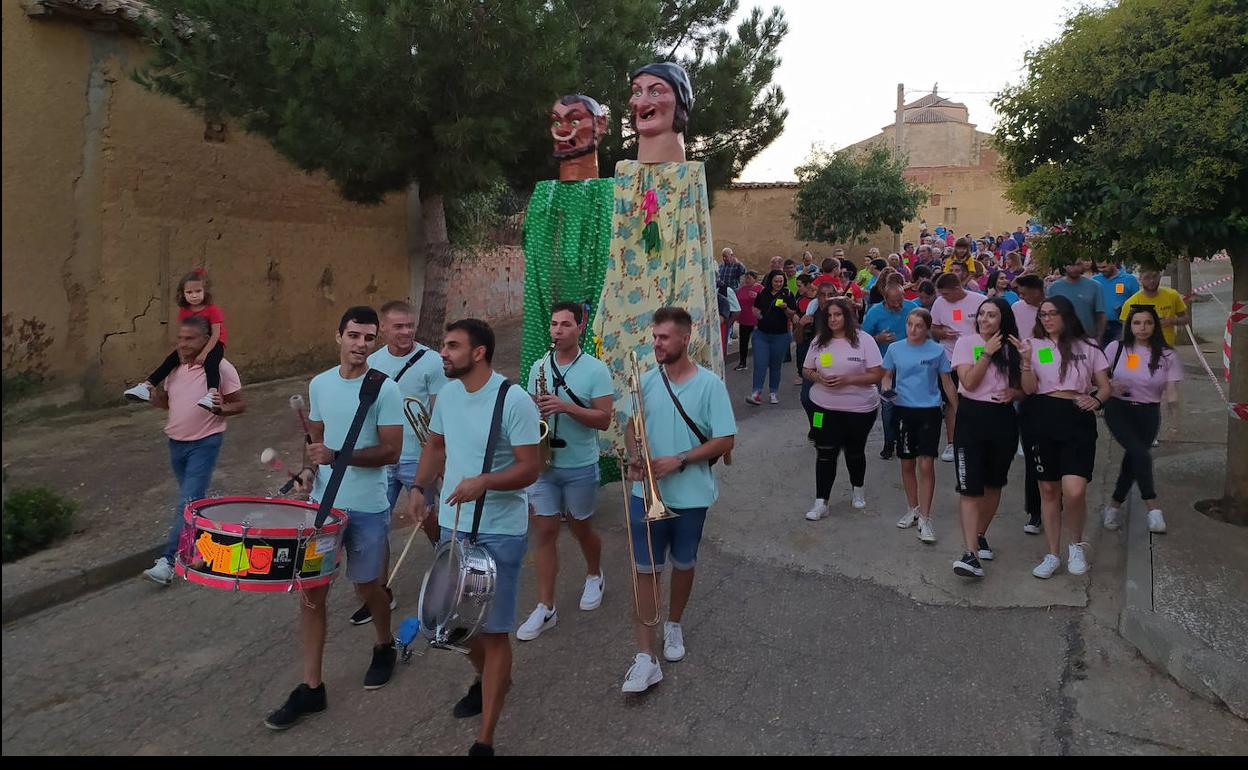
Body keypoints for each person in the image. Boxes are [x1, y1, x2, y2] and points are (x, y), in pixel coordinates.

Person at [266, 306, 404, 731]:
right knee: (312, 595)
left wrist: (335, 456)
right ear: (338, 336)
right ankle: (312, 688)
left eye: (368, 337)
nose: (361, 344)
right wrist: (309, 472)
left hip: (367, 505)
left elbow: (391, 452)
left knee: (367, 587)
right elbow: (318, 444)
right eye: (354, 335)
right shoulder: (320, 384)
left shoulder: (385, 389)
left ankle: (384, 644)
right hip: (325, 509)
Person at [411, 318, 543, 756]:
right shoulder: (448, 395)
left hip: (501, 530)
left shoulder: (514, 400)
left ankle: (485, 738)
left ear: (479, 352)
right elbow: (435, 446)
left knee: (496, 629)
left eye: (452, 346)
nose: (443, 353)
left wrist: (484, 481)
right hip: (455, 526)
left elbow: (530, 467)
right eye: (444, 346)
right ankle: (490, 678)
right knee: (458, 626)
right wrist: (419, 488)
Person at [621, 307, 735, 693]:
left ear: (685, 339)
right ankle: (644, 657)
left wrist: (681, 458)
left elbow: (725, 440)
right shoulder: (646, 382)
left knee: (684, 563)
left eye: (664, 338)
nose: (656, 344)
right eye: (654, 337)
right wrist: (635, 458)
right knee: (644, 571)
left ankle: (673, 624)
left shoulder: (709, 385)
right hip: (645, 495)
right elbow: (631, 426)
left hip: (690, 495)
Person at [517, 303, 616, 641]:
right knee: (543, 532)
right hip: (544, 465)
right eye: (554, 325)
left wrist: (566, 407)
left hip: (578, 463)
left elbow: (604, 419)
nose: (558, 331)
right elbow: (531, 409)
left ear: (579, 329)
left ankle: (594, 574)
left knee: (581, 528)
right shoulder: (538, 366)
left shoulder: (595, 370)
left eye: (565, 325)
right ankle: (546, 606)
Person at [353, 300, 447, 625]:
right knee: (375, 526)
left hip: (417, 456)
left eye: (410, 325)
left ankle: (446, 557)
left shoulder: (432, 362)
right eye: (399, 326)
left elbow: (438, 414)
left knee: (427, 516)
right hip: (383, 457)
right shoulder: (372, 363)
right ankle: (381, 593)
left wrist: (438, 458)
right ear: (384, 329)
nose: (406, 332)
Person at [140, 316, 246, 585]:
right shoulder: (174, 368)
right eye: (180, 338)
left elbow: (240, 405)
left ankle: (167, 562)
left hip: (205, 442)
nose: (182, 344)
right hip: (175, 443)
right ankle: (202, 547)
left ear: (205, 340)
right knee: (193, 504)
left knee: (186, 503)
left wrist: (221, 408)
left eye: (189, 339)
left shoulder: (221, 368)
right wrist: (155, 399)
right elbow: (170, 404)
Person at [1019, 296, 1112, 579]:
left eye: (1052, 314)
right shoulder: (1034, 346)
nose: (1046, 319)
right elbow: (1028, 389)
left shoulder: (1088, 346)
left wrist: (1096, 401)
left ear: (1066, 315)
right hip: (1041, 415)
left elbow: (1105, 386)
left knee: (1075, 490)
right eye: (1043, 314)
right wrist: (1025, 363)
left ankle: (1076, 545)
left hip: (1076, 417)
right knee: (1048, 490)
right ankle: (1052, 553)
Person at [949, 298, 1025, 578]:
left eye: (991, 315)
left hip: (1003, 419)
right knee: (969, 488)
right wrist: (987, 353)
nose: (984, 319)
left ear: (1003, 319)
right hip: (971, 418)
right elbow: (968, 382)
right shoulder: (966, 343)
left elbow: (1028, 387)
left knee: (994, 485)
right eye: (982, 314)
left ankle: (979, 535)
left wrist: (1016, 392)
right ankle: (969, 554)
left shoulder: (1015, 346)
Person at [1101, 306, 1182, 534]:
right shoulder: (1116, 348)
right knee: (1140, 454)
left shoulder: (1168, 355)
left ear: (1155, 326)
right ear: (1130, 325)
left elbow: (1172, 392)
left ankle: (1114, 506)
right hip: (1119, 409)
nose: (1142, 328)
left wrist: (1175, 423)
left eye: (1147, 323)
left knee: (1133, 460)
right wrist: (1108, 385)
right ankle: (1153, 509)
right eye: (1137, 323)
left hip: (1148, 413)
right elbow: (1097, 376)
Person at [802, 297, 883, 519]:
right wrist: (817, 377)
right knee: (824, 451)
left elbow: (877, 374)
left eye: (837, 315)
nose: (833, 319)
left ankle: (858, 489)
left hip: (860, 409)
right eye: (829, 315)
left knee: (854, 451)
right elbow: (806, 370)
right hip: (822, 407)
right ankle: (821, 502)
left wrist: (848, 379)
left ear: (847, 316)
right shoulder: (819, 341)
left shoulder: (864, 340)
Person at [882, 308, 955, 542]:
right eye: (910, 324)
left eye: (919, 326)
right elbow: (886, 375)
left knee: (926, 464)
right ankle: (912, 508)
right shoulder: (894, 349)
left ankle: (926, 516)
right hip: (903, 410)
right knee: (906, 463)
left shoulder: (937, 351)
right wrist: (886, 388)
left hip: (929, 411)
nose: (913, 330)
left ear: (927, 328)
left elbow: (947, 383)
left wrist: (960, 411)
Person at [124, 269, 228, 412]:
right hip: (194, 342)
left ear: (205, 291)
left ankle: (211, 394)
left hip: (213, 343)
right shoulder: (184, 310)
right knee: (170, 360)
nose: (194, 295)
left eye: (198, 291)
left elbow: (216, 335)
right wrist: (181, 352)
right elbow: (183, 333)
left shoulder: (213, 310)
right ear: (183, 293)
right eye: (189, 293)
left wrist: (204, 353)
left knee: (212, 362)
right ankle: (147, 385)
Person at [930, 272, 987, 462]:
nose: (943, 297)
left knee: (978, 397)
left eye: (946, 294)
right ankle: (952, 442)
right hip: (950, 356)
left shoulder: (980, 300)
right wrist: (943, 332)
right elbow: (933, 328)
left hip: (977, 358)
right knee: (951, 401)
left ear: (957, 289)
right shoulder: (939, 303)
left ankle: (979, 438)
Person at [862, 284, 918, 459]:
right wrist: (878, 338)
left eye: (900, 300)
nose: (898, 305)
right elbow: (861, 340)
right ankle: (889, 441)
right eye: (893, 302)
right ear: (885, 299)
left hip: (910, 368)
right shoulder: (874, 312)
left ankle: (907, 440)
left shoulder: (912, 307)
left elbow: (924, 330)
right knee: (889, 405)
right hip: (887, 370)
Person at [1012, 274, 1047, 535]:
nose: (1022, 297)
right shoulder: (1015, 309)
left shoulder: (1054, 308)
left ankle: (1052, 504)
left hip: (1053, 388)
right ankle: (1035, 511)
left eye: (1025, 293)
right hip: (1026, 384)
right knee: (1034, 454)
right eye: (1019, 293)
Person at [747, 269, 799, 405]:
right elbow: (755, 308)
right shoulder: (763, 293)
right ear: (770, 280)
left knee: (775, 365)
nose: (778, 284)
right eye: (776, 281)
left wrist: (785, 308)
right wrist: (758, 314)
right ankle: (756, 392)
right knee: (760, 363)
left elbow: (792, 314)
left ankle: (773, 392)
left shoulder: (788, 294)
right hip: (761, 334)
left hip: (781, 335)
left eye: (781, 281)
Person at [1119, 268, 1189, 347]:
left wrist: (1172, 321)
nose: (1152, 281)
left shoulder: (1172, 295)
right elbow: (1125, 333)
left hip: (1166, 349)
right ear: (1140, 279)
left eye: (1155, 276)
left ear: (1160, 276)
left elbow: (1185, 318)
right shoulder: (1131, 303)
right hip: (1140, 350)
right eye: (1147, 277)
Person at [1046, 260, 1106, 344]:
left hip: (1088, 340)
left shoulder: (1095, 286)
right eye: (1070, 264)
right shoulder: (1053, 288)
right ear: (1064, 266)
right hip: (1062, 340)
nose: (1074, 268)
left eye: (1078, 264)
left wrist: (1099, 338)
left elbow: (1100, 315)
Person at [1091, 260, 1140, 348]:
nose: (1102, 270)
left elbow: (1138, 303)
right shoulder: (1094, 280)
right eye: (1099, 268)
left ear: (1113, 263)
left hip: (1121, 325)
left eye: (1104, 267)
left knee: (1120, 353)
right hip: (1099, 326)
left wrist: (1124, 310)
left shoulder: (1130, 280)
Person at [734, 271, 761, 371]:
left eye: (749, 278)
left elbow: (766, 302)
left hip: (756, 320)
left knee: (758, 342)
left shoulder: (760, 288)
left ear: (755, 279)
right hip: (744, 319)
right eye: (746, 278)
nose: (747, 280)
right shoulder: (741, 289)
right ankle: (742, 362)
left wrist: (758, 296)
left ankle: (760, 362)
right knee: (743, 343)